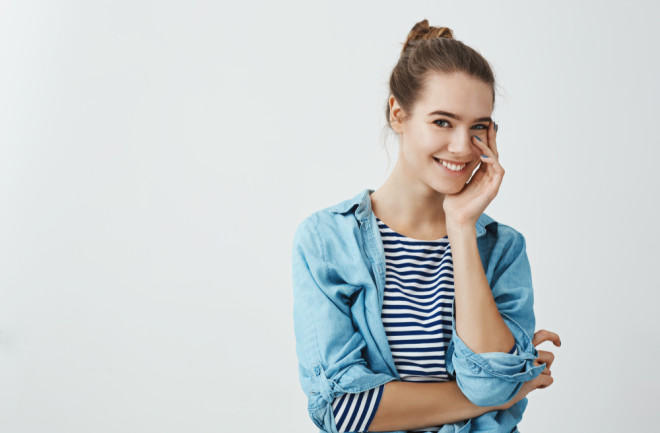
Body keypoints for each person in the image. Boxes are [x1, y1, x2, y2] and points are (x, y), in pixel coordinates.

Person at [291, 19, 561, 433]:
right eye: (442, 122)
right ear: (399, 114)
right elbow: (340, 411)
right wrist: (509, 387)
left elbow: (489, 386)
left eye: (477, 128)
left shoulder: (502, 249)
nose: (461, 146)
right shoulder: (328, 242)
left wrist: (461, 226)